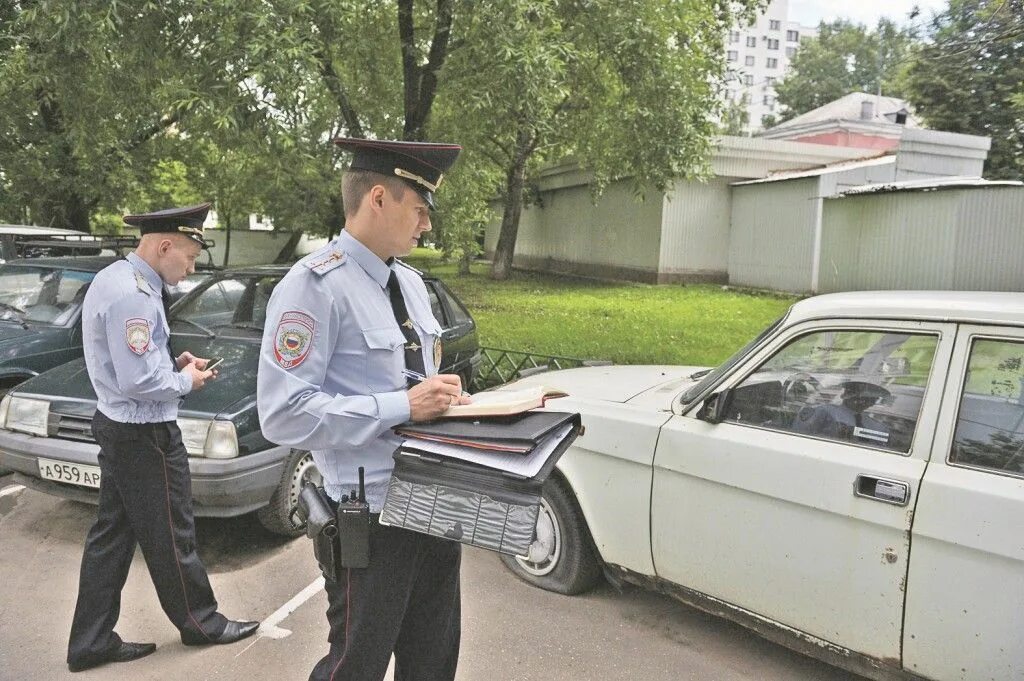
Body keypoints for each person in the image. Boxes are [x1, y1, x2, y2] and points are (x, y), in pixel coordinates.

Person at [257, 138, 472, 681]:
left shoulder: (412, 285)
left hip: (435, 503)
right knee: (356, 666)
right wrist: (402, 405)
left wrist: (448, 401)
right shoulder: (313, 288)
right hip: (371, 517)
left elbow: (416, 386)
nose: (426, 225)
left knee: (433, 660)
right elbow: (282, 414)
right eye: (420, 210)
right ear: (379, 198)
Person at [66, 204, 259, 673]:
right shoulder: (135, 295)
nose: (191, 268)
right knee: (174, 533)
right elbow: (136, 382)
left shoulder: (116, 278)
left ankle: (90, 642)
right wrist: (185, 382)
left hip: (120, 427)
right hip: (144, 433)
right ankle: (202, 623)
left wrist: (169, 367)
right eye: (190, 256)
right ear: (165, 245)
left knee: (111, 536)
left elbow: (130, 366)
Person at [791, 379, 891, 446]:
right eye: (859, 396)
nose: (863, 401)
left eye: (871, 398)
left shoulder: (877, 426)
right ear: (845, 395)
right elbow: (798, 438)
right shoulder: (823, 412)